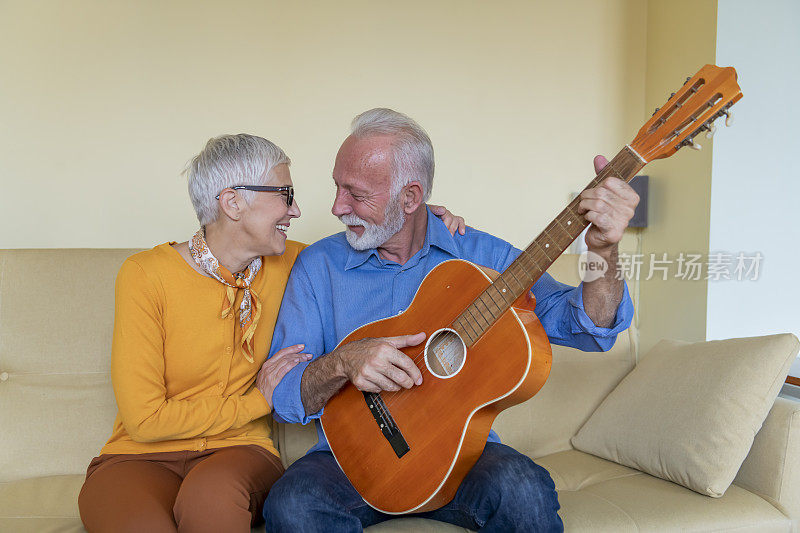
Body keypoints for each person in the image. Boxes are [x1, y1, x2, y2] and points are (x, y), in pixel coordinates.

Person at [263, 108, 638, 532]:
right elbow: (286, 395)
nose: (336, 206)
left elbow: (590, 329)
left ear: (410, 197)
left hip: (463, 455)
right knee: (292, 505)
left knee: (524, 490)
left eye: (356, 193)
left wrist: (603, 251)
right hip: (350, 459)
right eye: (337, 187)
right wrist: (343, 362)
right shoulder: (318, 265)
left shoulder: (481, 258)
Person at [76, 132, 468, 532]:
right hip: (138, 455)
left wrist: (417, 218)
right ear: (232, 203)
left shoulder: (295, 262)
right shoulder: (145, 275)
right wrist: (257, 401)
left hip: (238, 451)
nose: (296, 210)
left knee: (211, 503)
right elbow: (144, 420)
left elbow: (371, 239)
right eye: (285, 194)